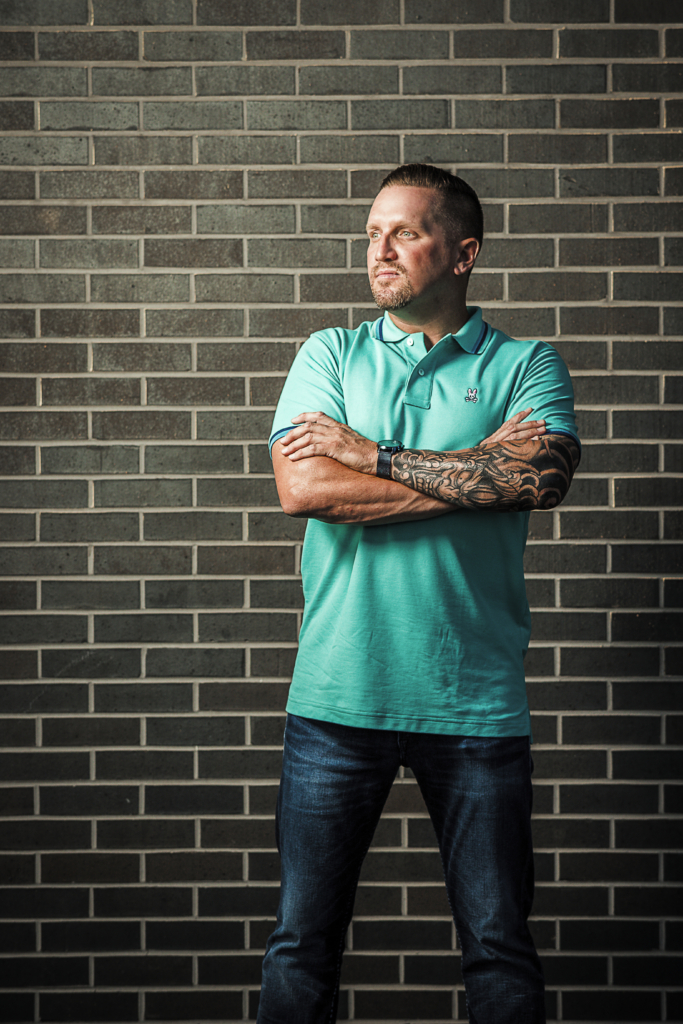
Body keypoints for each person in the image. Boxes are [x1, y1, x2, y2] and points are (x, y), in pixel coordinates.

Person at [257, 164, 580, 1024]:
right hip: (336, 697)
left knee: (500, 951)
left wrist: (374, 456)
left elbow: (540, 478)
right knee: (300, 949)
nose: (380, 250)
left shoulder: (523, 364)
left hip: (474, 704)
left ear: (463, 252)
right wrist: (479, 470)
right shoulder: (329, 352)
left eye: (404, 231)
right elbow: (303, 493)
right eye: (371, 232)